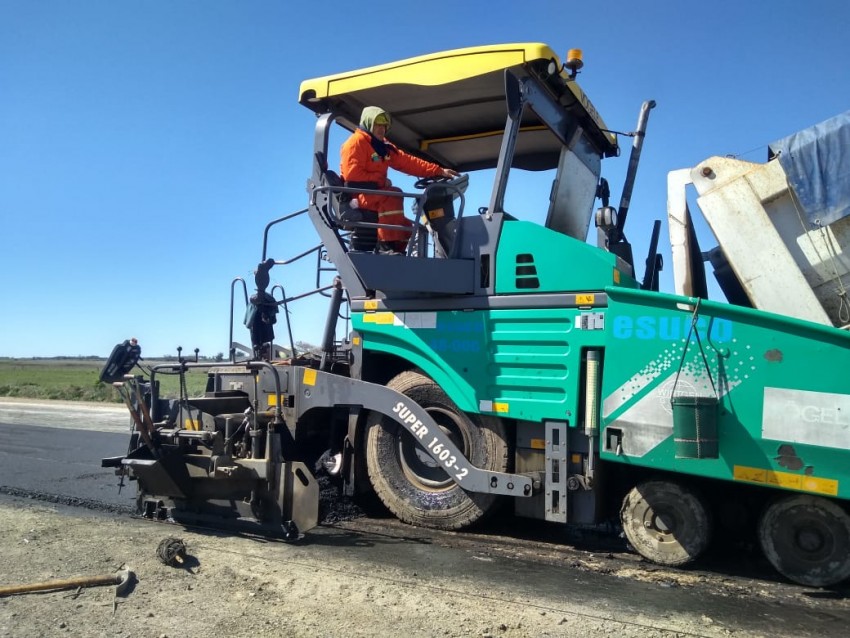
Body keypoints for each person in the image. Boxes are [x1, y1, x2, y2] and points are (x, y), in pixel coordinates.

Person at [340, 106, 458, 253]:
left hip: (374, 194)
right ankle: (386, 247)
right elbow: (352, 177)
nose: (382, 129)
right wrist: (381, 181)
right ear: (368, 123)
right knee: (393, 195)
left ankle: (399, 250)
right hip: (358, 196)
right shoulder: (356, 143)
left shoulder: (383, 146)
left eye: (384, 125)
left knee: (406, 225)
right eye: (378, 124)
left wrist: (437, 170)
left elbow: (407, 162)